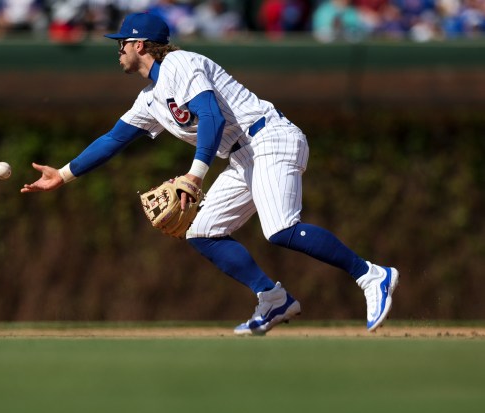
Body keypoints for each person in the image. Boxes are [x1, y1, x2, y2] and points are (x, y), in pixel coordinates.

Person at [21, 12, 399, 336]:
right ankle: (273, 299)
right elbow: (114, 139)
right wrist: (63, 175)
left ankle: (370, 275)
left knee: (280, 228)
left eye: (121, 42)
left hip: (268, 138)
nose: (117, 49)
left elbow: (212, 117)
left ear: (140, 45)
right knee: (204, 232)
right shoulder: (150, 97)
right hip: (243, 156)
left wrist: (195, 175)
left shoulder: (179, 65)